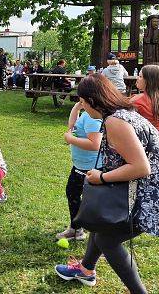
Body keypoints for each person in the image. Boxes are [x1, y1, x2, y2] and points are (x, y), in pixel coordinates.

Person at [55, 74, 159, 293]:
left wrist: (102, 177)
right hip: (151, 190)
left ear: (94, 101)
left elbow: (141, 167)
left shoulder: (116, 121)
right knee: (103, 223)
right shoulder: (121, 114)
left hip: (156, 196)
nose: (84, 108)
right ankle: (86, 270)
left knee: (108, 240)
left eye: (84, 104)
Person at [56, 101, 102, 241]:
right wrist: (76, 108)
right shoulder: (87, 113)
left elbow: (95, 144)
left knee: (89, 200)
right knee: (73, 193)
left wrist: (71, 139)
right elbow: (72, 127)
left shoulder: (93, 118)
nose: (79, 99)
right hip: (81, 165)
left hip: (90, 167)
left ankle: (85, 230)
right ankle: (77, 228)